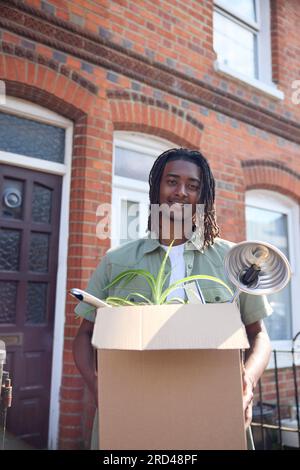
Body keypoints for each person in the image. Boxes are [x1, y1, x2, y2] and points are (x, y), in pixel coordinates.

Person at [73, 148, 272, 450]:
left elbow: (258, 336)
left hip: (214, 409)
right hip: (133, 409)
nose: (181, 192)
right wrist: (99, 386)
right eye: (172, 181)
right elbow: (84, 335)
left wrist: (247, 380)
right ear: (156, 188)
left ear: (203, 196)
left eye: (192, 186)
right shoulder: (117, 260)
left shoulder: (232, 260)